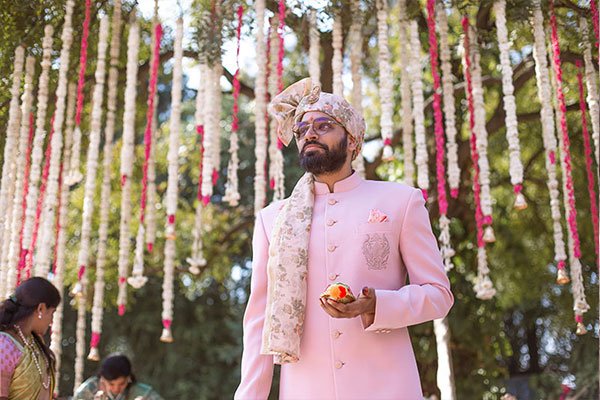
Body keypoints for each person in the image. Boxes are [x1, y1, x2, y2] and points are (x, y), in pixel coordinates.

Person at [235, 78, 454, 399]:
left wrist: (378, 304)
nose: (310, 133)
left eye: (323, 125)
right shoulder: (273, 219)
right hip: (305, 390)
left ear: (352, 140)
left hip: (388, 387)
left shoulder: (401, 202)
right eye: (301, 128)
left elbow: (438, 295)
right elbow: (259, 321)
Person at [0, 277, 61, 400]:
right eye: (52, 313)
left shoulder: (35, 343)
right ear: (41, 308)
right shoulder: (4, 345)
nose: (51, 321)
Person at [73, 354, 163, 400]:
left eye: (122, 384)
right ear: (102, 379)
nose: (116, 389)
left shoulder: (142, 393)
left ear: (129, 379)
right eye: (111, 384)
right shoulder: (88, 390)